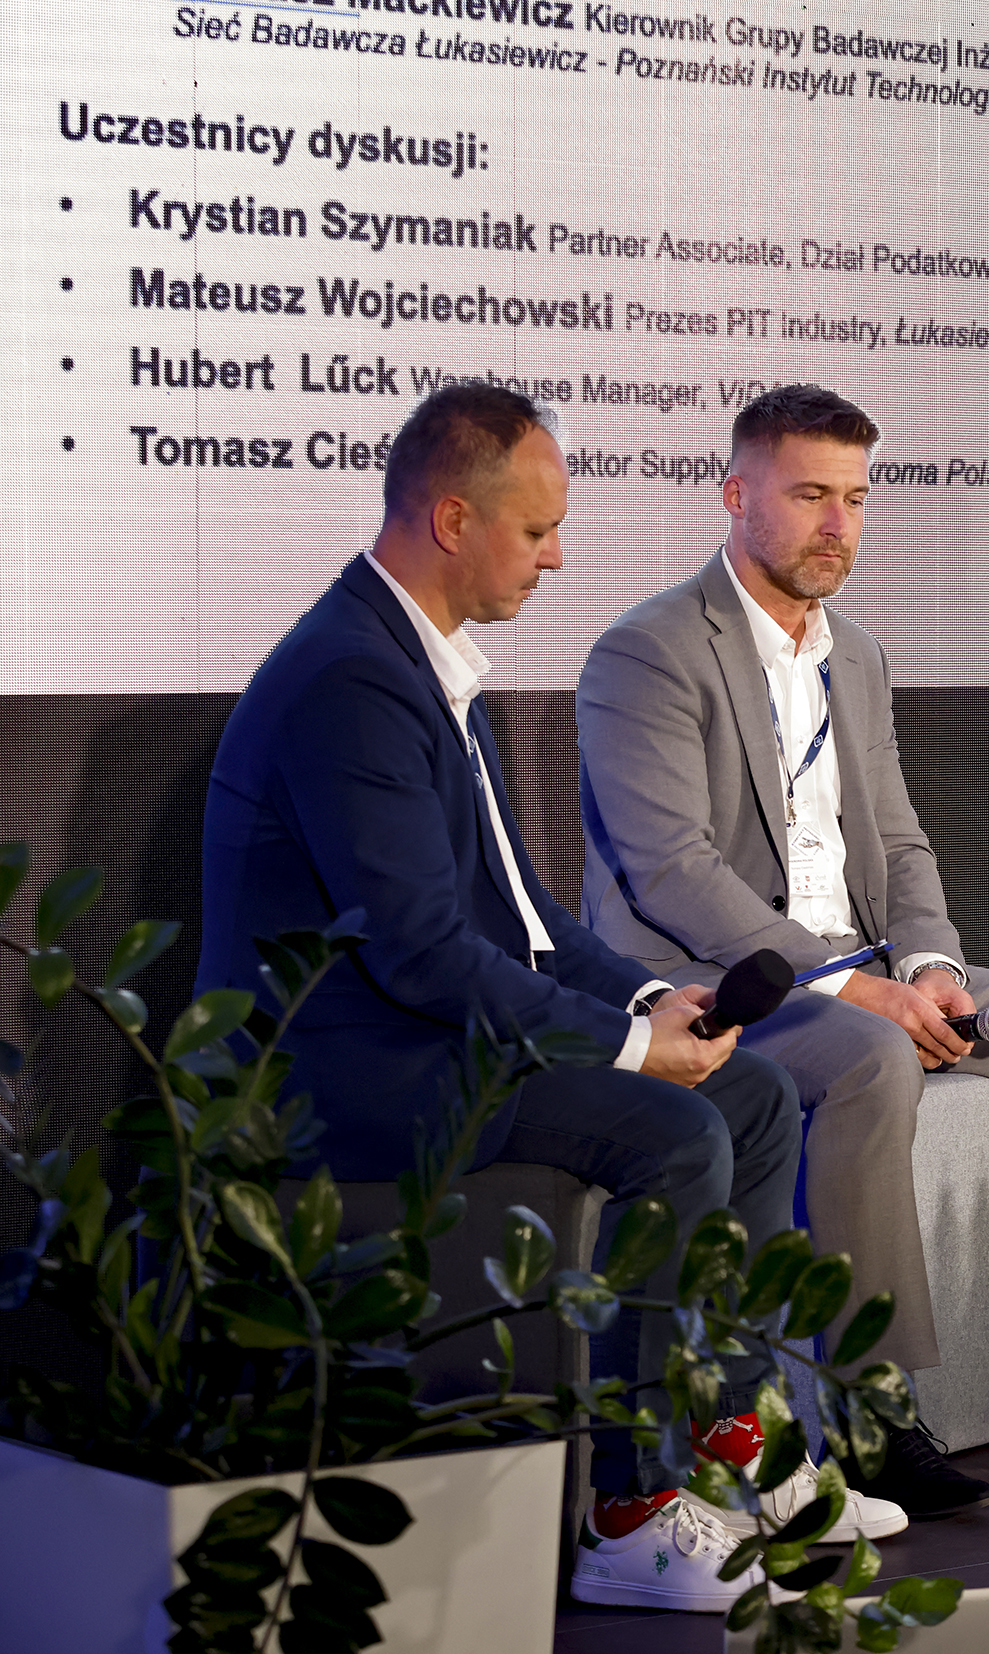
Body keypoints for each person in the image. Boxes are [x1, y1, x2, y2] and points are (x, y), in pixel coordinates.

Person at [195, 384, 822, 1614]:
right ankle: (629, 1510)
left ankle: (728, 1439)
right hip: (341, 1074)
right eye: (536, 531)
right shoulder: (351, 680)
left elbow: (525, 917)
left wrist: (656, 997)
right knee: (674, 1129)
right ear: (451, 520)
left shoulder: (420, 663)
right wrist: (630, 1050)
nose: (556, 556)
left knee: (749, 1094)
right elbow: (424, 956)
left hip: (424, 1037)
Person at [575, 385, 989, 1516]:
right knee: (872, 1056)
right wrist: (851, 988)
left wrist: (930, 966)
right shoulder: (648, 651)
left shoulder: (859, 656)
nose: (838, 524)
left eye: (855, 498)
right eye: (809, 496)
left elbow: (899, 840)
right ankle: (869, 1407)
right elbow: (673, 870)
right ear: (735, 496)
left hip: (865, 955)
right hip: (725, 980)